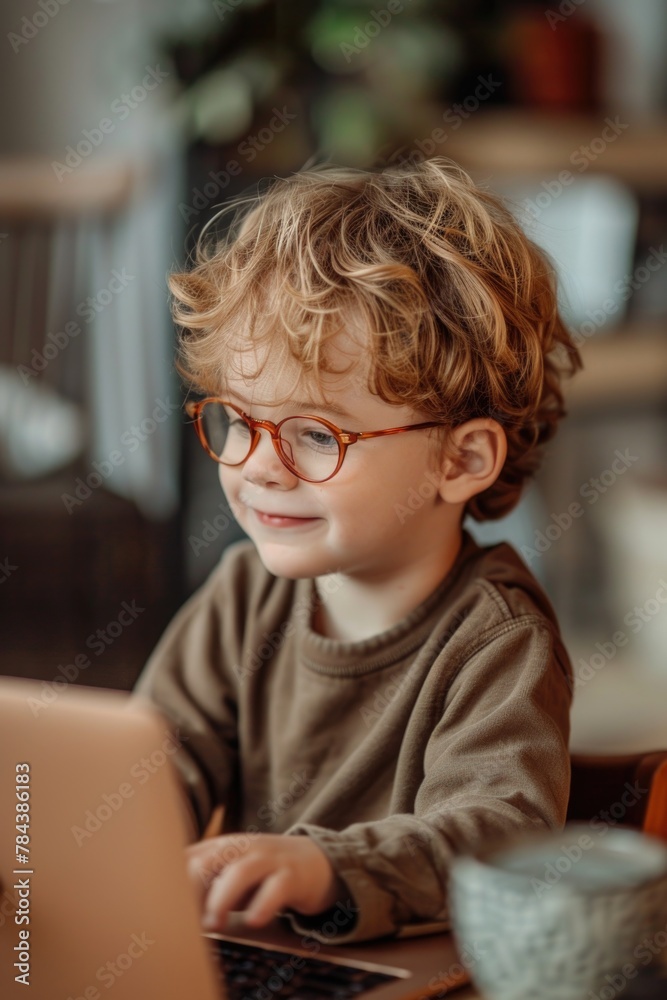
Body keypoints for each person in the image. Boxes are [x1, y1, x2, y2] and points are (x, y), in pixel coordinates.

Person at [134, 157, 581, 944]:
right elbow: (149, 766)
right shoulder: (244, 593)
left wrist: (324, 869)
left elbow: (502, 834)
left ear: (461, 461)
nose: (256, 463)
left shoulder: (498, 641)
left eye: (315, 434)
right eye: (236, 420)